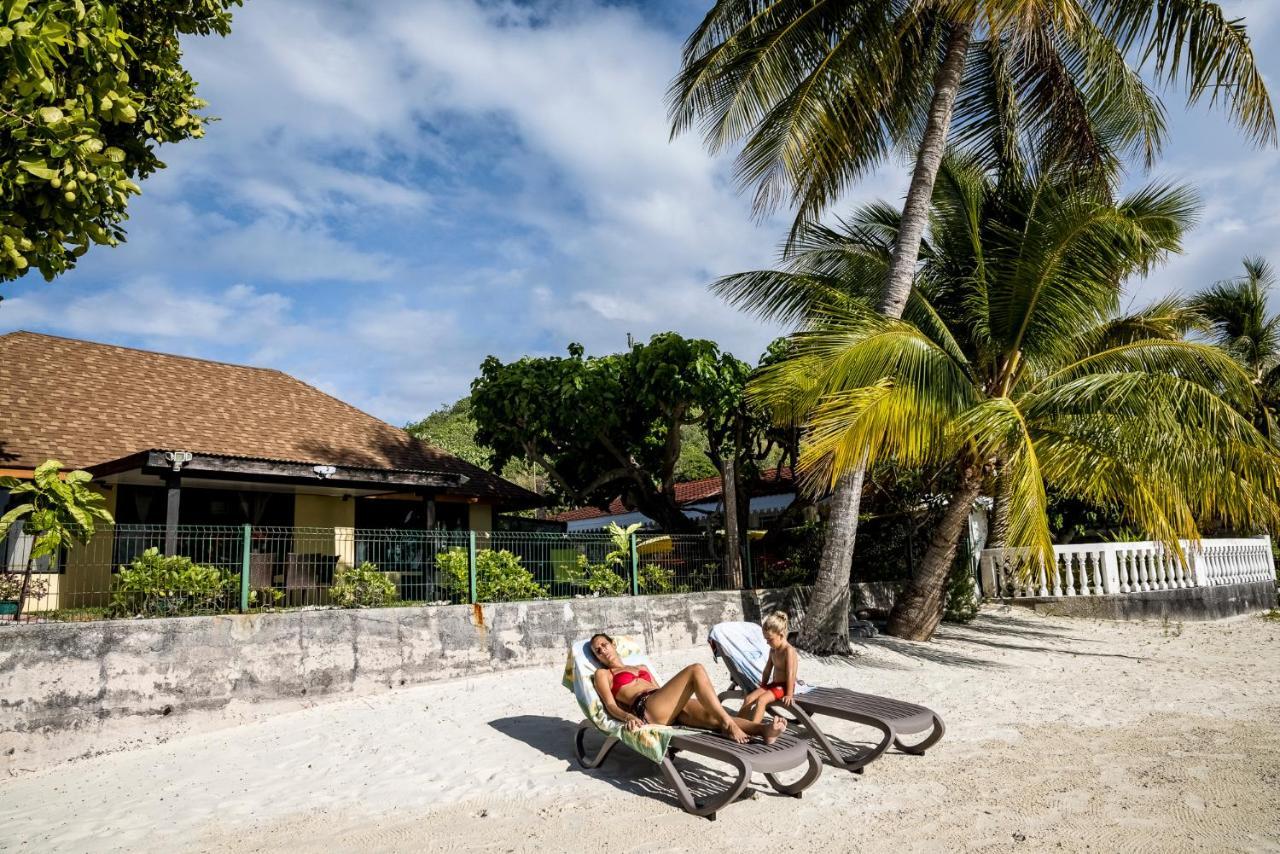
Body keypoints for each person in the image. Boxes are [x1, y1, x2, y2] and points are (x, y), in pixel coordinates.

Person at [588, 632, 785, 744]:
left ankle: (764, 730)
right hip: (647, 708)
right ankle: (731, 725)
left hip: (664, 704)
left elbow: (662, 690)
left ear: (613, 644)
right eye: (598, 651)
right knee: (695, 670)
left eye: (605, 645)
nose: (603, 651)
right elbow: (610, 706)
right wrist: (628, 717)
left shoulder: (641, 666)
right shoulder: (603, 675)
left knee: (713, 717)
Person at [741, 612, 799, 723]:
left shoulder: (788, 651)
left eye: (770, 639)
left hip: (784, 687)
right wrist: (763, 686)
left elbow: (791, 673)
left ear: (781, 635)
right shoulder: (773, 650)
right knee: (749, 698)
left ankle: (754, 729)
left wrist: (789, 694)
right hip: (773, 685)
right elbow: (767, 670)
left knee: (761, 700)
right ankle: (738, 724)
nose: (767, 642)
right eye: (766, 639)